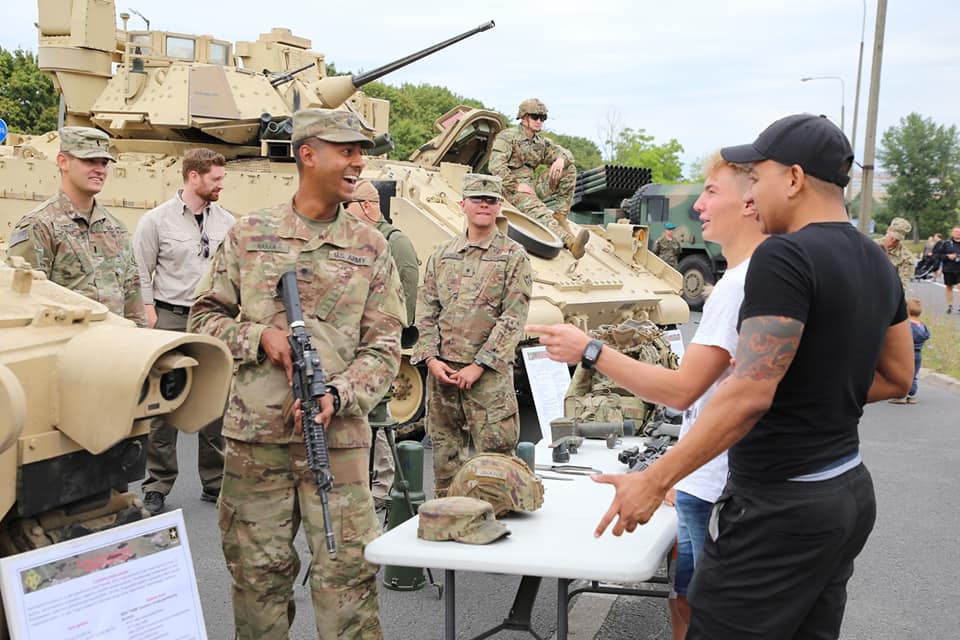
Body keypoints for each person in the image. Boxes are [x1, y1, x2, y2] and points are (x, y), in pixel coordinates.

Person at [533, 114, 913, 639]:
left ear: (795, 179)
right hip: (845, 492)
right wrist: (805, 390)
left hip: (779, 507)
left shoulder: (785, 255)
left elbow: (748, 395)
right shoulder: (874, 257)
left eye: (758, 177)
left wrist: (654, 478)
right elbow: (897, 376)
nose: (752, 192)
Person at [527, 151, 765, 639]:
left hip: (721, 481)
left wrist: (589, 349)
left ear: (750, 203)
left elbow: (682, 391)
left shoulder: (742, 285)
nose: (698, 204)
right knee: (686, 598)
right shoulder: (749, 280)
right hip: (709, 476)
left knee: (705, 608)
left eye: (712, 192)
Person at [188, 108, 404, 640]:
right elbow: (204, 317)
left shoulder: (372, 247)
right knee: (257, 579)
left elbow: (385, 348)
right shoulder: (249, 234)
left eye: (361, 150)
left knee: (348, 579)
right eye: (346, 150)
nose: (359, 161)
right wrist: (259, 337)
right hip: (255, 441)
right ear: (307, 154)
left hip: (340, 442)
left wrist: (339, 391)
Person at [411, 173, 532, 498]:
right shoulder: (442, 255)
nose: (483, 204)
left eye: (490, 200)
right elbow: (427, 310)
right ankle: (447, 521)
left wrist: (478, 366)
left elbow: (513, 318)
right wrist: (432, 360)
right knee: (445, 458)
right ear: (462, 204)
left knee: (496, 462)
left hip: (488, 379)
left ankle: (495, 525)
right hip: (444, 376)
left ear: (499, 207)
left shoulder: (513, 257)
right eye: (477, 198)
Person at [133, 147, 235, 514]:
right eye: (216, 178)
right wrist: (148, 313)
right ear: (194, 177)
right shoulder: (156, 221)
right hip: (170, 318)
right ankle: (158, 484)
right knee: (163, 403)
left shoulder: (227, 222)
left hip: (212, 318)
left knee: (214, 400)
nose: (222, 184)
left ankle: (215, 481)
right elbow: (140, 270)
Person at [7, 126, 146, 326]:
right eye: (89, 160)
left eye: (104, 162)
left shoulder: (116, 228)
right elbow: (23, 301)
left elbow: (133, 298)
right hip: (66, 347)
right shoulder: (39, 226)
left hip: (117, 347)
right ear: (63, 162)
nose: (100, 169)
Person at [345, 179, 419, 510]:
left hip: (381, 340)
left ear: (367, 206)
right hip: (354, 340)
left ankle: (384, 482)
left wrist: (398, 336)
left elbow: (408, 286)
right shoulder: (353, 239)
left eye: (348, 207)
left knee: (379, 413)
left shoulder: (395, 241)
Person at [488, 98, 590, 258]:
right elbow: (495, 166)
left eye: (543, 118)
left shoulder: (540, 142)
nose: (539, 121)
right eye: (535, 117)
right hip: (510, 190)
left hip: (531, 187)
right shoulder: (507, 137)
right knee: (540, 212)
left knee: (569, 169)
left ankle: (561, 215)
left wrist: (561, 160)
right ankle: (571, 243)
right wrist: (516, 186)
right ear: (523, 117)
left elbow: (566, 154)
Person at [890, 298, 931, 405]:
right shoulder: (922, 326)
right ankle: (911, 395)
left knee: (901, 373)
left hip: (906, 353)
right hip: (918, 354)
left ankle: (901, 396)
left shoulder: (907, 325)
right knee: (914, 374)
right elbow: (927, 336)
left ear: (906, 311)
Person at [878, 217, 915, 292]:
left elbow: (902, 286)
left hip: (887, 293)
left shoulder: (906, 258)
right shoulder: (871, 246)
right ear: (888, 230)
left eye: (897, 240)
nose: (893, 241)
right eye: (892, 237)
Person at [934, 226, 960, 313]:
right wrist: (947, 256)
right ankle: (950, 305)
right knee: (949, 287)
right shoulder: (946, 244)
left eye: (959, 232)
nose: (958, 233)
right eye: (956, 231)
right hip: (949, 268)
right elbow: (938, 255)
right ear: (952, 233)